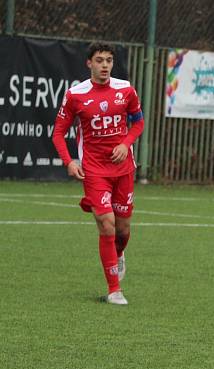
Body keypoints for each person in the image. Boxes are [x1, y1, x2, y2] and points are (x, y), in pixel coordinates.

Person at [52, 42, 144, 305]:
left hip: (123, 169)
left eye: (109, 60)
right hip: (93, 170)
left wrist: (125, 144)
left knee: (123, 229)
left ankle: (120, 253)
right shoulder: (75, 95)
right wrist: (69, 161)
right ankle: (114, 290)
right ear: (89, 63)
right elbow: (58, 133)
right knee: (106, 224)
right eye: (100, 60)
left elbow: (138, 122)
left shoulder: (125, 90)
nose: (105, 65)